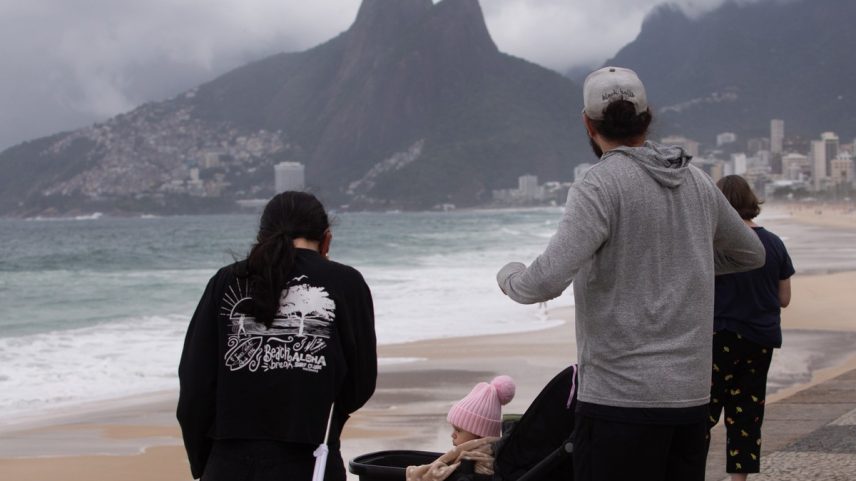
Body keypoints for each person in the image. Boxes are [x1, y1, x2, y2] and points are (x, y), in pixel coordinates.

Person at [496, 66, 767, 481]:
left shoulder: (600, 185)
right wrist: (685, 261)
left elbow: (543, 282)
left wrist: (509, 275)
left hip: (617, 404)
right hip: (691, 402)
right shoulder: (695, 181)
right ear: (648, 117)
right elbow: (751, 253)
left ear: (588, 124)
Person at [177, 191, 377, 481]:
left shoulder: (224, 281)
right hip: (310, 460)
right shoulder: (346, 282)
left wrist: (205, 461)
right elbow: (361, 381)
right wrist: (324, 420)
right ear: (326, 239)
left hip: (229, 462)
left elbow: (195, 384)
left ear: (262, 238)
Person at [707, 175, 795, 481]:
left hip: (720, 337)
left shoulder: (715, 245)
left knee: (702, 414)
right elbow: (784, 299)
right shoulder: (774, 243)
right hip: (760, 339)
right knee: (746, 413)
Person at [406, 376, 516, 481]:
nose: (452, 435)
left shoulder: (478, 458)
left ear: (479, 434)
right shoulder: (474, 453)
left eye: (458, 430)